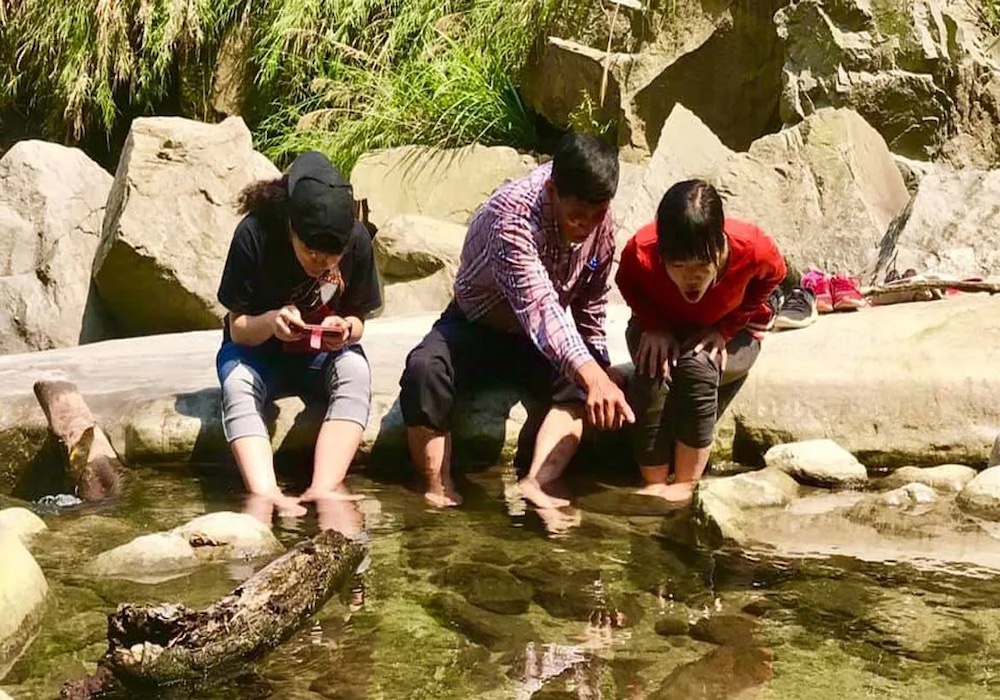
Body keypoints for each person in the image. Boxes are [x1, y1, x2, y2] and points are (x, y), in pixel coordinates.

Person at [398, 132, 635, 510]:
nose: (586, 225)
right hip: (477, 325)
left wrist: (599, 369)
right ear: (554, 191)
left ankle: (538, 482)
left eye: (597, 215)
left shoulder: (600, 219)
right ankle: (436, 487)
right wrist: (592, 373)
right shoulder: (511, 215)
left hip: (541, 338)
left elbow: (590, 301)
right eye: (577, 215)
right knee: (424, 371)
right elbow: (539, 305)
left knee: (584, 382)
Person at [215, 151, 382, 525]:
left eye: (330, 257)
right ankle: (264, 494)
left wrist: (345, 329)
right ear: (290, 225)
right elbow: (237, 326)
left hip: (321, 356)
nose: (320, 263)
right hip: (259, 354)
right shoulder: (254, 233)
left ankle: (324, 486)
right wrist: (272, 322)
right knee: (238, 382)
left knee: (355, 369)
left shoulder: (356, 241)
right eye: (310, 252)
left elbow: (358, 320)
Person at [615, 180, 786, 503]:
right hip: (661, 329)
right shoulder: (641, 249)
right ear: (662, 254)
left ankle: (685, 484)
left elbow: (775, 277)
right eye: (678, 266)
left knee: (698, 366)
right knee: (653, 368)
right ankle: (653, 484)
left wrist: (726, 329)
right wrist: (654, 326)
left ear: (720, 247)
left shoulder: (751, 247)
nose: (690, 278)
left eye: (701, 266)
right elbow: (626, 282)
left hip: (733, 334)